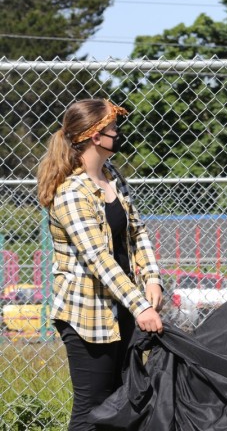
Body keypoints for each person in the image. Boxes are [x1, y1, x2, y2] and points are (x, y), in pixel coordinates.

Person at [36, 99, 164, 431]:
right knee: (92, 409)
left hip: (122, 308)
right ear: (96, 136)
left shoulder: (111, 180)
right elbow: (99, 260)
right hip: (87, 317)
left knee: (124, 402)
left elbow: (137, 233)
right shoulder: (71, 193)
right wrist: (141, 307)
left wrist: (152, 278)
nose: (118, 134)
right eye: (112, 130)